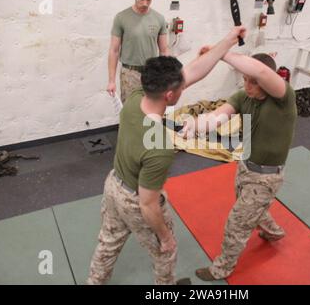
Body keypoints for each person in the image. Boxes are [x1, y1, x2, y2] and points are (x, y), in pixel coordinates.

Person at [86, 26, 247, 285]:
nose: (185, 88)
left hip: (113, 186)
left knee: (107, 244)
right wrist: (165, 237)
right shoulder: (160, 147)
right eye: (181, 88)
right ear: (170, 95)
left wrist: (228, 40)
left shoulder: (135, 99)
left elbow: (192, 72)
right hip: (136, 200)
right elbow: (148, 205)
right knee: (165, 254)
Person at [182, 51, 297, 281]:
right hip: (245, 167)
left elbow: (261, 71)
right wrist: (195, 124)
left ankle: (221, 269)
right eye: (244, 79)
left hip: (266, 179)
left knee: (237, 223)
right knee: (254, 210)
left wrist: (221, 52)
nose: (248, 85)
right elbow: (217, 116)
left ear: (268, 79)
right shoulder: (244, 96)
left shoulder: (284, 98)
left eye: (253, 81)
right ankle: (274, 232)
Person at [107, 0, 169, 103]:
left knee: (150, 112)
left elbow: (164, 50)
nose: (145, 3)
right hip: (130, 74)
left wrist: (165, 75)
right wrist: (111, 81)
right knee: (130, 112)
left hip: (152, 73)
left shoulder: (159, 19)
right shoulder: (121, 18)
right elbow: (114, 51)